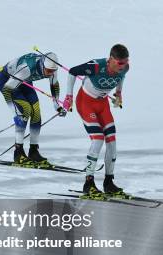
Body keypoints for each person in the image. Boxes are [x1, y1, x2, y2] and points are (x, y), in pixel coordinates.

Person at [62, 44, 130, 198]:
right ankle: (89, 183)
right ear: (111, 59)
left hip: (102, 105)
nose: (123, 66)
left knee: (112, 142)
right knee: (98, 139)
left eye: (125, 62)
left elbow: (122, 78)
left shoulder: (125, 68)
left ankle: (108, 182)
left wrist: (119, 93)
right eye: (120, 63)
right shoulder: (96, 66)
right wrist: (69, 96)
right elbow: (73, 72)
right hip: (86, 103)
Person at [0, 52, 64, 166]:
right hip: (6, 80)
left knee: (36, 112)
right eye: (48, 70)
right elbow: (7, 90)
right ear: (42, 65)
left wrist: (57, 106)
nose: (50, 73)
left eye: (52, 71)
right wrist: (15, 113)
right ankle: (18, 153)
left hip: (24, 81)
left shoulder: (52, 67)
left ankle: (33, 151)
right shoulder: (26, 69)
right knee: (25, 110)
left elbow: (54, 84)